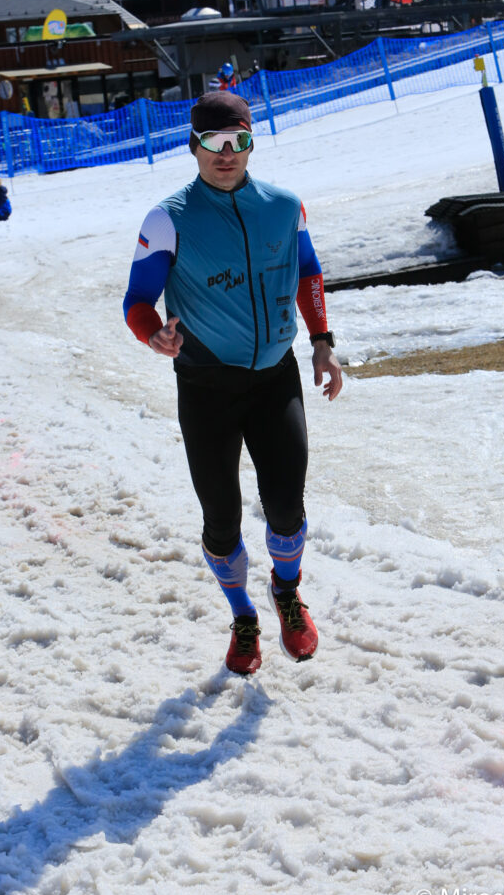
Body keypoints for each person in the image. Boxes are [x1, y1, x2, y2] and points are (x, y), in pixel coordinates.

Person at [123, 92, 342, 676]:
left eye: (238, 142)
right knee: (221, 519)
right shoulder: (168, 219)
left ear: (251, 143)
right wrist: (153, 334)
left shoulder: (284, 206)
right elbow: (137, 299)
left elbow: (308, 272)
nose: (227, 155)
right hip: (207, 387)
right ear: (193, 146)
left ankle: (286, 593)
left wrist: (322, 341)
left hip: (275, 378)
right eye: (214, 144)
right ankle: (244, 616)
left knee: (287, 508)